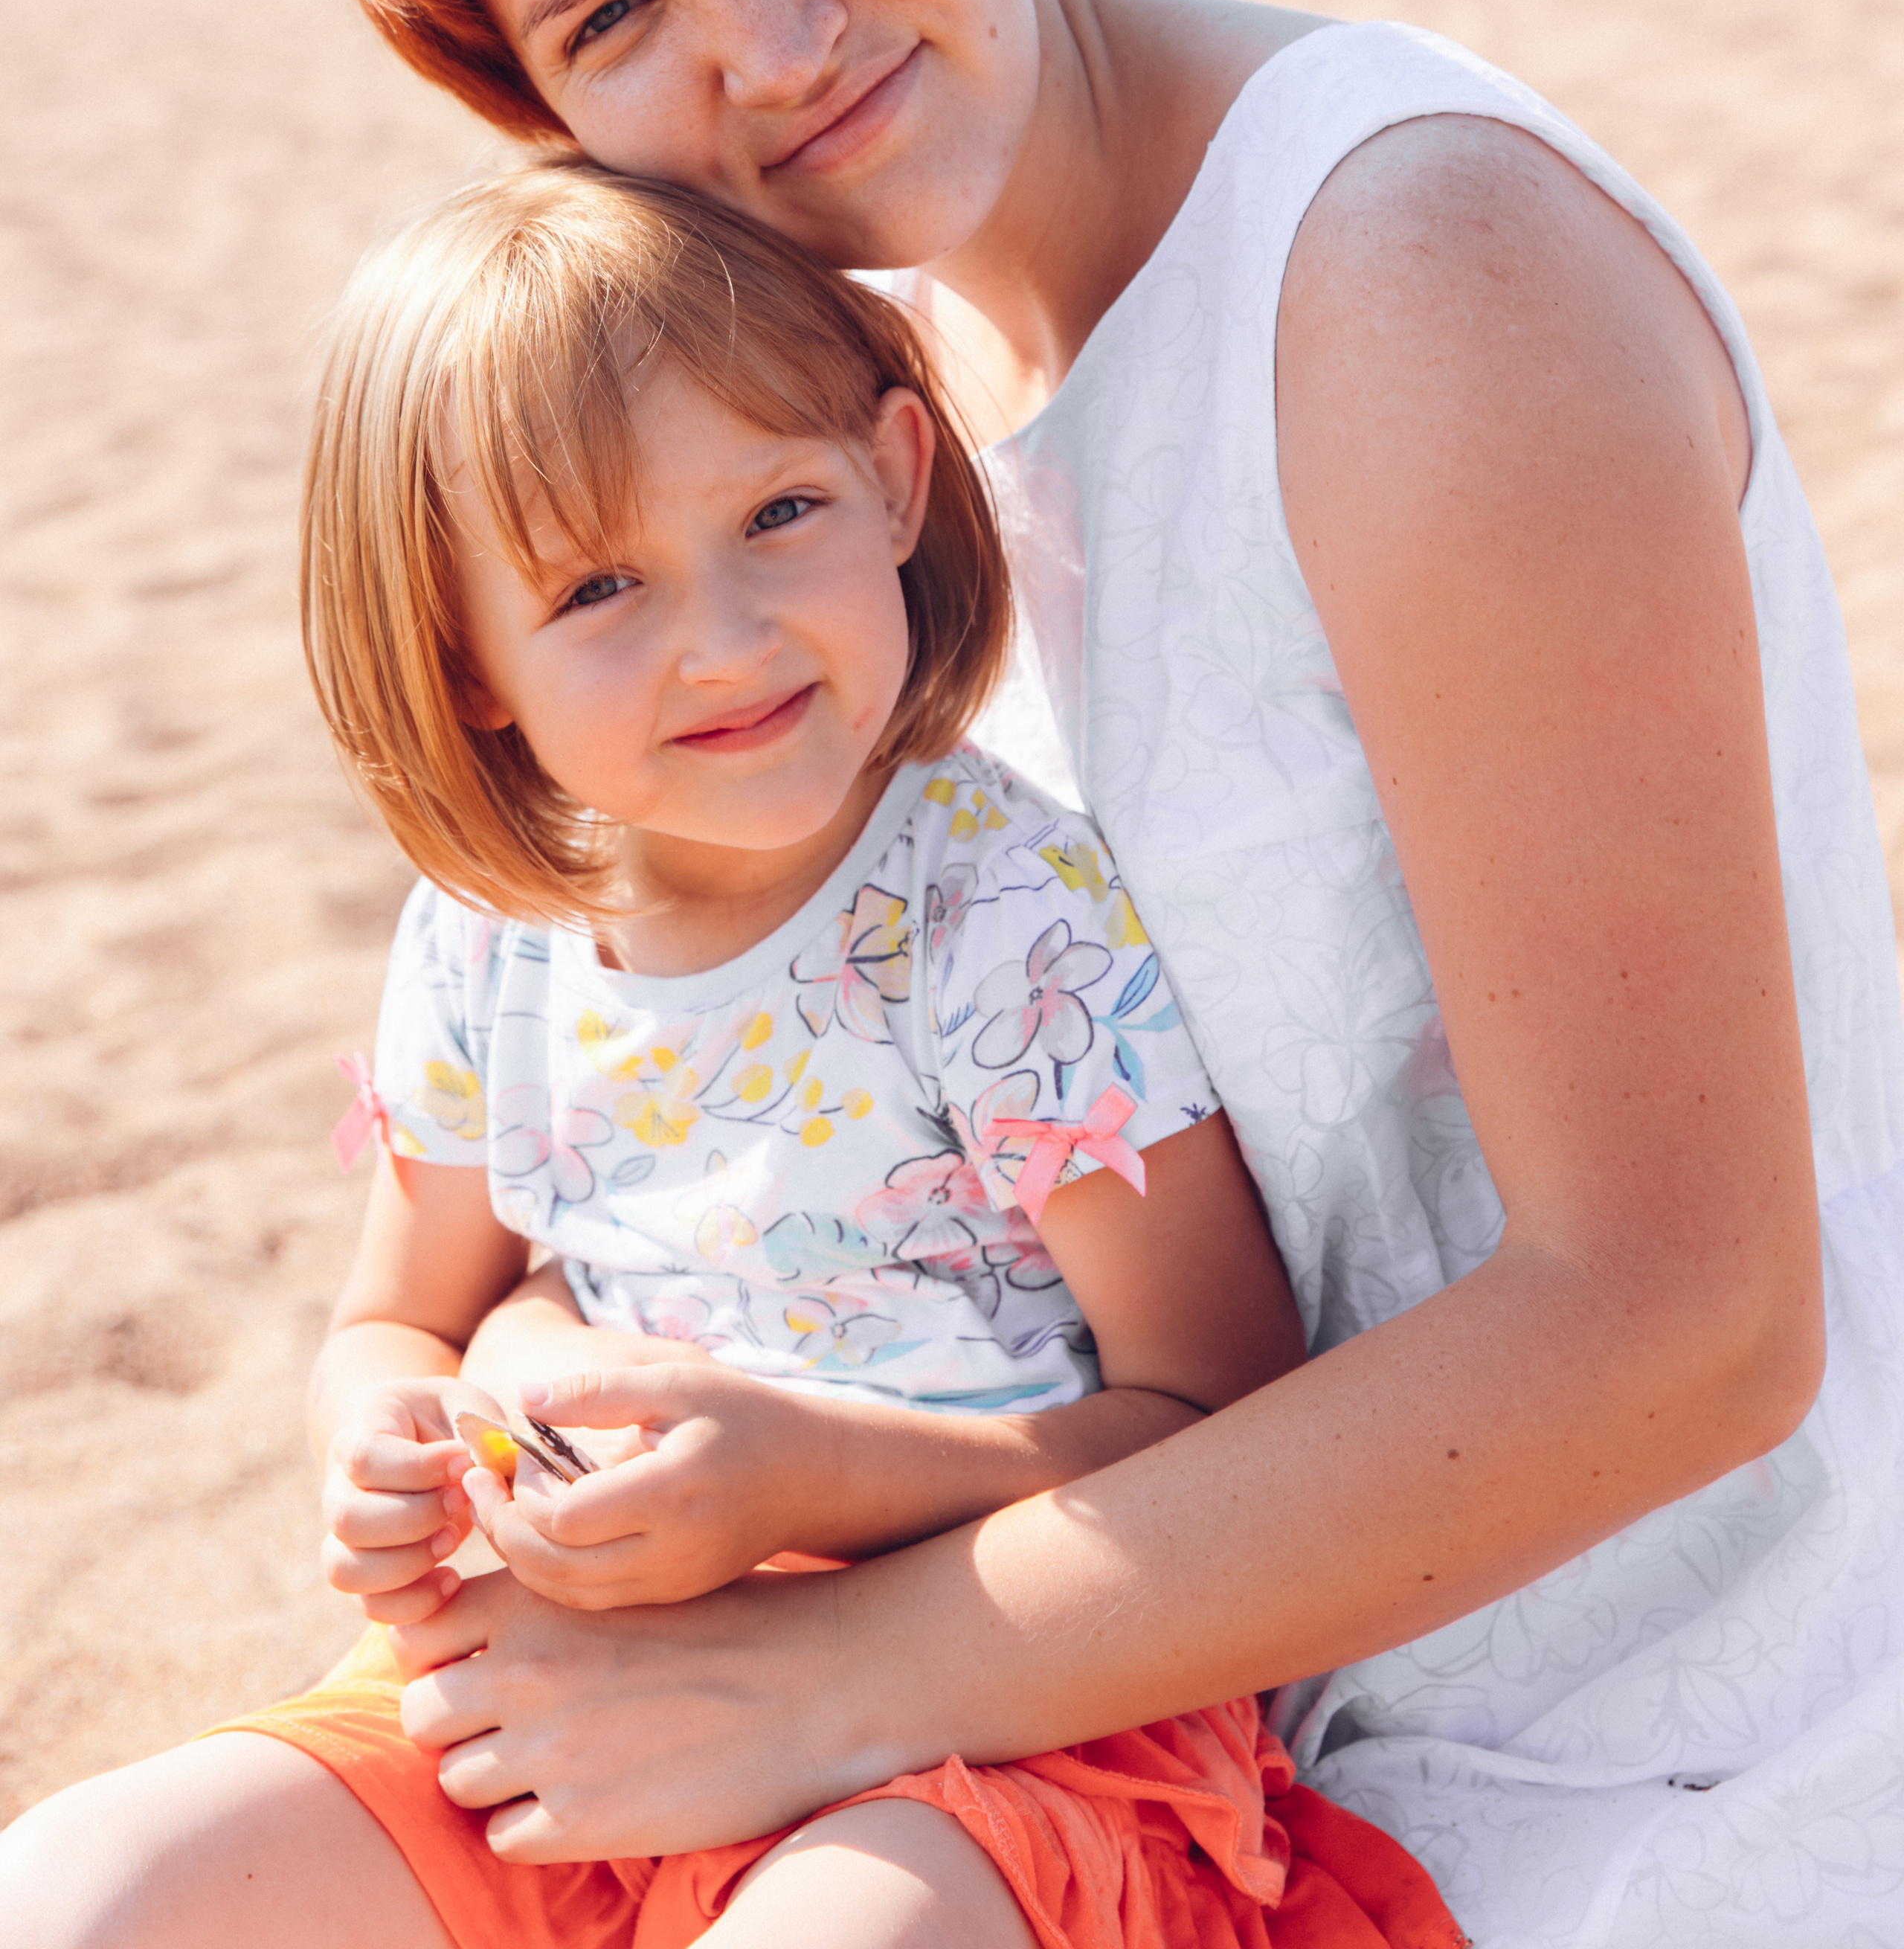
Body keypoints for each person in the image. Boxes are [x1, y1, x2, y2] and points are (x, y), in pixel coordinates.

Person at [4, 0, 1901, 1947]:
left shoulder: (1412, 273)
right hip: (1024, 1661)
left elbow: (1686, 1327)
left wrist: (837, 1664)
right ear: (550, 128)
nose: (768, 50)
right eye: (616, 19)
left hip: (1594, 1744)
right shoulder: (830, 437)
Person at [261, 159, 1464, 1947]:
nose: (725, 638)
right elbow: (406, 1314)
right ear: (469, 663)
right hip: (577, 1681)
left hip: (1010, 1717)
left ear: (897, 479)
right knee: (83, 1887)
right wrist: (392, 1442)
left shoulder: (998, 917)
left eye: (776, 513)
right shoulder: (484, 934)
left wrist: (805, 1480)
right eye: (595, 590)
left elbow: (1214, 1420)